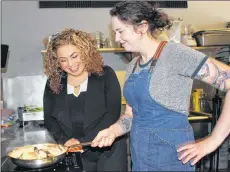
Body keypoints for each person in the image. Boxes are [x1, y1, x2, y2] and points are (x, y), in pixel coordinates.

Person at [90, 1, 230, 171]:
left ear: (142, 27)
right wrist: (112, 131)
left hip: (173, 160)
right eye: (114, 33)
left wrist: (213, 141)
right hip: (141, 160)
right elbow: (130, 115)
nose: (117, 38)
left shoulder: (175, 54)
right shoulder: (133, 65)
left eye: (120, 31)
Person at [43, 28, 127, 171]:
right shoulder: (54, 82)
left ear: (85, 52)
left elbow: (112, 114)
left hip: (108, 151)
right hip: (73, 152)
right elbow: (49, 119)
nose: (70, 64)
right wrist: (65, 141)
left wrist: (81, 143)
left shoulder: (105, 75)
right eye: (63, 60)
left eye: (74, 56)